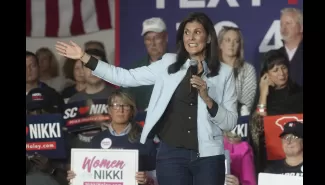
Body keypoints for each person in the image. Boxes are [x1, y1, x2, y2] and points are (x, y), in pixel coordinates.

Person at [55, 12, 238, 185]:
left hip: (208, 157)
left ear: (208, 38)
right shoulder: (168, 63)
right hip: (171, 156)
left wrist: (208, 99)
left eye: (197, 32)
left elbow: (230, 122)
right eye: (186, 33)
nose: (190, 37)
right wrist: (84, 57)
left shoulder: (225, 73)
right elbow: (124, 77)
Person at [66, 90, 157, 184]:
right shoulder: (97, 140)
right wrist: (76, 178)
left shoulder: (144, 139)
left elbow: (156, 175)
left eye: (125, 106)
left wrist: (147, 180)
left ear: (132, 111)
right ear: (109, 110)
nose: (120, 110)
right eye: (116, 105)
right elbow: (89, 176)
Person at [123, 17, 168, 111]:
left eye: (157, 38)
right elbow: (124, 99)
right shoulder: (134, 69)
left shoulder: (177, 65)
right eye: (148, 39)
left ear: (165, 38)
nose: (153, 43)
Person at [218, 26, 257, 116]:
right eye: (228, 40)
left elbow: (246, 104)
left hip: (238, 121)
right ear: (220, 44)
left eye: (236, 41)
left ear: (240, 45)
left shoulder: (248, 70)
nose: (232, 44)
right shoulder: (211, 69)